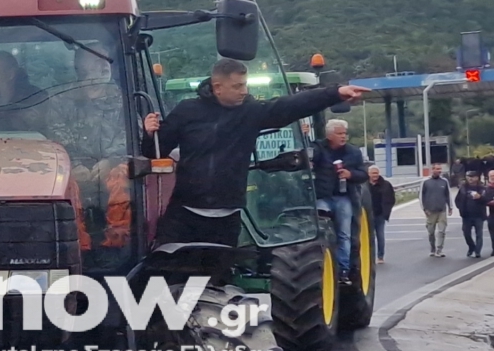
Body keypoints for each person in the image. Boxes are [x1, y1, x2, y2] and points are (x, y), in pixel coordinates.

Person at [143, 58, 364, 249]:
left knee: (217, 279)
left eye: (245, 84)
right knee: (167, 274)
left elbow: (291, 105)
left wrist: (335, 93)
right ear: (218, 87)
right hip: (183, 215)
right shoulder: (187, 111)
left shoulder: (250, 112)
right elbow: (154, 151)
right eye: (238, 86)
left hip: (227, 219)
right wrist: (149, 133)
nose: (244, 91)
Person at [48, 46, 132, 250]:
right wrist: (75, 165)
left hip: (112, 164)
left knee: (123, 177)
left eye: (106, 60)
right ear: (80, 67)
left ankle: (117, 244)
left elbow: (131, 134)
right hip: (72, 167)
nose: (104, 65)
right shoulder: (61, 101)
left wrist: (110, 161)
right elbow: (56, 135)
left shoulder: (125, 99)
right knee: (63, 185)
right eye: (96, 60)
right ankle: (78, 247)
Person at [313, 118, 368, 273]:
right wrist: (304, 136)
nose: (343, 136)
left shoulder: (353, 152)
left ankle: (343, 269)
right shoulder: (318, 149)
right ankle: (322, 266)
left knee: (344, 234)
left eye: (345, 133)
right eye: (339, 133)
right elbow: (307, 157)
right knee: (321, 231)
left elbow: (364, 174)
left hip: (344, 197)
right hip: (322, 197)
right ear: (329, 135)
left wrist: (350, 174)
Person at [366, 164, 396, 262]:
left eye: (376, 173)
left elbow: (391, 199)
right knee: (369, 237)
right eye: (373, 173)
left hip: (380, 214)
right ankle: (370, 257)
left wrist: (386, 212)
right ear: (368, 174)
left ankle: (380, 256)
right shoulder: (364, 185)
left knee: (380, 236)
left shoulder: (386, 185)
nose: (375, 175)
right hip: (367, 215)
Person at [419, 166, 451, 257]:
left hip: (442, 210)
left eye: (439, 169)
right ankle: (432, 248)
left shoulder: (444, 181)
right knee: (431, 231)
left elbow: (448, 194)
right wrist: (424, 209)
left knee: (441, 231)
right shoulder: (425, 182)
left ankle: (439, 249)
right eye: (436, 169)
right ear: (432, 170)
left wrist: (450, 207)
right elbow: (421, 196)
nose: (438, 171)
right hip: (430, 211)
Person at [454, 172, 486, 258]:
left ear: (477, 178)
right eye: (468, 177)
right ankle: (471, 247)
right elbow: (457, 200)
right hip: (466, 215)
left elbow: (486, 200)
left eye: (472, 177)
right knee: (466, 233)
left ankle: (478, 251)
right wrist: (461, 208)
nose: (470, 179)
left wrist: (480, 197)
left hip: (478, 215)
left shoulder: (482, 188)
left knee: (479, 234)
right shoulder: (463, 188)